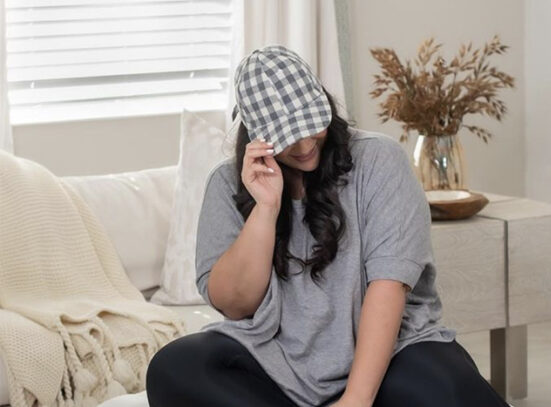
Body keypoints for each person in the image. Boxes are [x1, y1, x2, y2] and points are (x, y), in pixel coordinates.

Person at [146, 45, 511, 407]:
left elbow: (388, 288)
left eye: (311, 124)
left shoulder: (379, 160)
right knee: (174, 367)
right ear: (256, 135)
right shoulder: (227, 183)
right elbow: (234, 306)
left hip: (394, 351)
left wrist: (355, 400)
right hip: (274, 359)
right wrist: (266, 209)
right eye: (288, 135)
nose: (306, 144)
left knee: (447, 390)